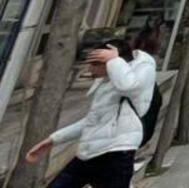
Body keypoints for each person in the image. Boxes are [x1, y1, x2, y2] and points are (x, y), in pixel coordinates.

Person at [25, 39, 156, 187]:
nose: (89, 69)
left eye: (94, 63)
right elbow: (92, 121)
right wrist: (53, 140)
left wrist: (114, 60)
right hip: (91, 152)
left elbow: (128, 86)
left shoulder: (137, 78)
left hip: (116, 152)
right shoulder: (107, 83)